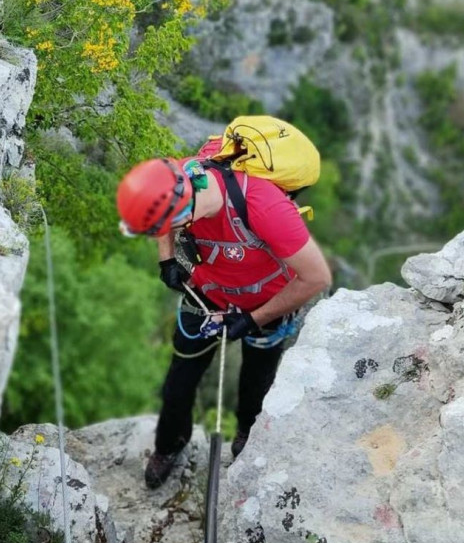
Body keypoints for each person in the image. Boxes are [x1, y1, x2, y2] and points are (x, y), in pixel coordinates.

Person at [116, 156, 332, 489]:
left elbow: (316, 277)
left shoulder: (266, 208)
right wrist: (168, 258)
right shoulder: (182, 174)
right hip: (207, 293)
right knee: (179, 380)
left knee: (257, 379)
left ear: (183, 210)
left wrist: (251, 319)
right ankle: (170, 443)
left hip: (268, 301)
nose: (165, 232)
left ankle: (247, 434)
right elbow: (167, 217)